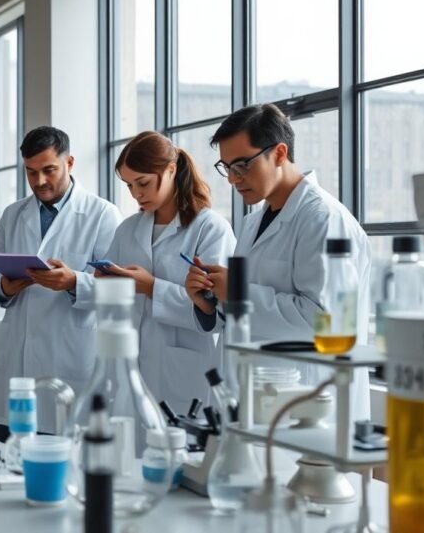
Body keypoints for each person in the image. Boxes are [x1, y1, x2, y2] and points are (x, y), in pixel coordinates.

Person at [184, 103, 371, 419]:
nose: (232, 179)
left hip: (305, 400)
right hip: (255, 395)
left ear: (280, 153)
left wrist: (239, 292)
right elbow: (248, 315)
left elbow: (325, 323)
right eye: (226, 167)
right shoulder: (255, 221)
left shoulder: (322, 219)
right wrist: (208, 303)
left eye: (242, 165)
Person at [0, 126, 122, 440]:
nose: (39, 181)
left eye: (49, 170)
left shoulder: (101, 215)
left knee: (64, 469)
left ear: (69, 163)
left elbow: (118, 290)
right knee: (9, 463)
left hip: (69, 364)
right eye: (31, 172)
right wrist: (5, 287)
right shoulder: (13, 214)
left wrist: (74, 282)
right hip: (16, 368)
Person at [95, 131, 236, 414]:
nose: (136, 193)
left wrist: (151, 287)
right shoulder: (127, 229)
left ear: (170, 170)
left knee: (177, 452)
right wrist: (109, 285)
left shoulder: (209, 228)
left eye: (143, 183)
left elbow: (218, 314)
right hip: (130, 365)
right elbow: (109, 300)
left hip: (184, 372)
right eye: (129, 185)